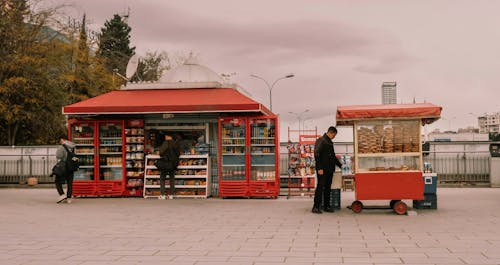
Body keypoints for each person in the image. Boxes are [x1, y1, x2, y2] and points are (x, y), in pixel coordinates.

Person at [312, 126, 342, 214]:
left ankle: (326, 206)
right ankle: (316, 207)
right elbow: (316, 154)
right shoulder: (321, 140)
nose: (334, 137)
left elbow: (333, 156)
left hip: (329, 169)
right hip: (322, 169)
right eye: (334, 135)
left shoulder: (329, 142)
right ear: (331, 133)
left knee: (328, 188)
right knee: (320, 187)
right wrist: (319, 168)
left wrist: (340, 165)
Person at [55, 135, 76, 204]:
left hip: (63, 167)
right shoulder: (72, 146)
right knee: (70, 183)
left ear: (62, 140)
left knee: (57, 181)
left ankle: (62, 195)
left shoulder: (61, 147)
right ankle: (69, 198)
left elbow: (58, 156)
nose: (60, 142)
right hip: (71, 166)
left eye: (60, 140)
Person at [158, 134, 180, 200]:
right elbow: (178, 154)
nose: (165, 137)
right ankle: (171, 195)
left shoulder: (166, 143)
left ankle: (163, 195)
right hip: (172, 164)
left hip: (165, 163)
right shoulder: (175, 143)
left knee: (162, 178)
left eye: (166, 136)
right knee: (172, 179)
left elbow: (161, 152)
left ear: (169, 136)